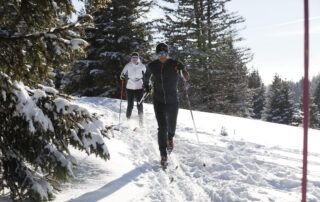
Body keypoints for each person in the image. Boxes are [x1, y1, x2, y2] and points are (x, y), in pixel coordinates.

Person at [143, 43, 189, 166]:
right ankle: (163, 153)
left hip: (173, 100)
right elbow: (146, 77)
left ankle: (170, 138)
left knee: (171, 126)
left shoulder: (174, 64)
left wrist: (182, 69)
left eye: (164, 53)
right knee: (162, 127)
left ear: (167, 53)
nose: (162, 56)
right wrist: (146, 85)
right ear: (157, 54)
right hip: (158, 100)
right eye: (159, 54)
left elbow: (186, 77)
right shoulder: (152, 65)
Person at [120, 52, 146, 126]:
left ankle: (141, 122)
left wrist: (146, 82)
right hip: (130, 87)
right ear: (131, 58)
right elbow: (122, 74)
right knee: (130, 105)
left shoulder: (142, 66)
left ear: (138, 59)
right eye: (133, 58)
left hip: (139, 87)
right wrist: (122, 76)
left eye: (136, 58)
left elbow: (146, 75)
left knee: (139, 104)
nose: (135, 59)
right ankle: (128, 120)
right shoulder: (128, 65)